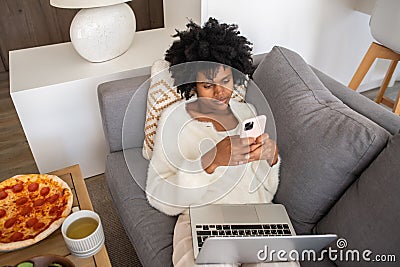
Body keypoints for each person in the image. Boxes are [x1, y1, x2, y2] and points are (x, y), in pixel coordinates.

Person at [146, 18, 298, 267]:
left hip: (256, 217)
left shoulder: (247, 112)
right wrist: (210, 161)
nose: (219, 93)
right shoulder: (173, 122)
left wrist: (270, 159)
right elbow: (158, 196)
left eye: (226, 81)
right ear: (192, 84)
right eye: (208, 85)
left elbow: (265, 192)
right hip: (203, 219)